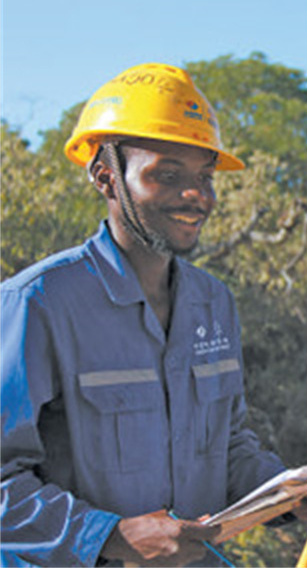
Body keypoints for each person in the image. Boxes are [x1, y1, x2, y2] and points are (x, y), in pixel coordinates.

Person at [1, 63, 289, 567]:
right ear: (106, 178)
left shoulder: (214, 304)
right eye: (168, 175)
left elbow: (229, 447)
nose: (197, 194)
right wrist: (110, 537)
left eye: (204, 176)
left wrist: (286, 492)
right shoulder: (39, 302)